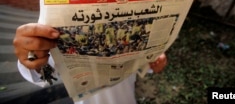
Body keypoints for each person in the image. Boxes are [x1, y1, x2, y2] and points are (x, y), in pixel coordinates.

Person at [13, 23, 167, 104]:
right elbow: (41, 73)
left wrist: (155, 59)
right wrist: (32, 57)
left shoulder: (130, 30)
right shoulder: (62, 30)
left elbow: (143, 63)